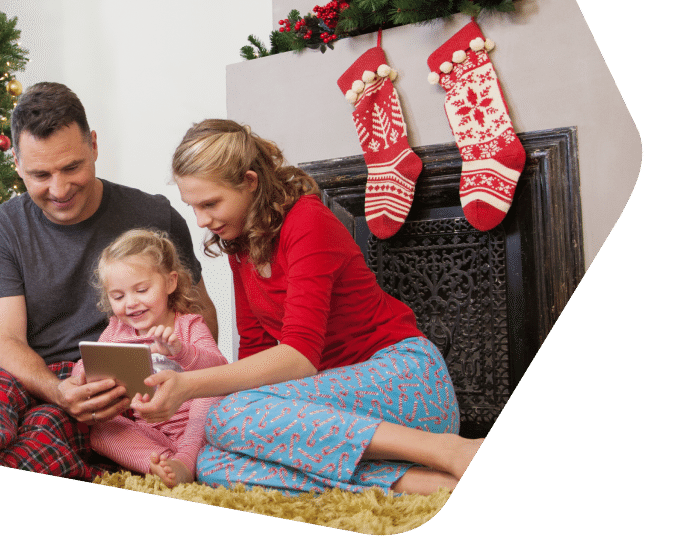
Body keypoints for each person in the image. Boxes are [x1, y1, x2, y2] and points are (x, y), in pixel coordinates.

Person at [130, 119, 483, 496]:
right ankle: (410, 481)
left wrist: (188, 386)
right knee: (213, 463)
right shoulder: (241, 245)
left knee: (226, 416)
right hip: (336, 409)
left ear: (250, 181)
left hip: (406, 380)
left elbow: (299, 358)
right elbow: (255, 350)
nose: (202, 220)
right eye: (193, 207)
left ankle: (449, 450)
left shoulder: (308, 220)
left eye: (210, 203)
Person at [0, 82, 217, 480]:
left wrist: (167, 361)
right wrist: (58, 391)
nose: (58, 189)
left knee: (46, 426)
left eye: (71, 167)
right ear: (17, 165)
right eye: (40, 174)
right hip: (38, 375)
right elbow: (5, 342)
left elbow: (199, 315)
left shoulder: (153, 216)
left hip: (112, 390)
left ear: (93, 145)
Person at [70, 229, 227, 487]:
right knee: (98, 427)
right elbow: (89, 367)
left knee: (211, 395)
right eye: (118, 296)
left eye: (142, 290)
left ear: (170, 282)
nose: (130, 303)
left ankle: (186, 461)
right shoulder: (115, 331)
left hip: (197, 427)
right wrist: (82, 375)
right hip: (151, 431)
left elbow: (220, 370)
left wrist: (181, 352)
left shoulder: (188, 326)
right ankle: (160, 463)